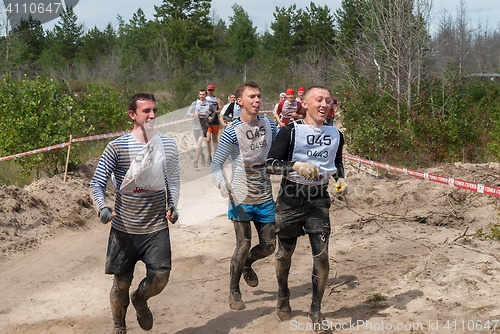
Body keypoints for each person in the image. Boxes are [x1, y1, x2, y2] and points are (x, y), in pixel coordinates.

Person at [90, 93, 180, 334]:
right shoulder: (117, 147)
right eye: (146, 111)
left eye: (154, 110)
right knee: (120, 285)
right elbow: (97, 183)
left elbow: (173, 181)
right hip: (124, 229)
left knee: (160, 278)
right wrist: (102, 207)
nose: (152, 115)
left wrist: (173, 206)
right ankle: (119, 325)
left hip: (156, 228)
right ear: (132, 115)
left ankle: (140, 299)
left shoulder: (167, 144)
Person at [266, 86, 347, 332]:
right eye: (319, 100)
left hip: (317, 200)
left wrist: (341, 180)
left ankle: (316, 310)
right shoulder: (290, 132)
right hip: (290, 198)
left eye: (328, 101)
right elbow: (269, 164)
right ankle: (282, 294)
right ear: (305, 103)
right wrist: (295, 166)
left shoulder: (336, 134)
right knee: (284, 254)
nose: (324, 104)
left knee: (322, 257)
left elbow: (337, 162)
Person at [211, 81, 278, 311]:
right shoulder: (231, 131)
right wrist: (223, 185)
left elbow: (281, 149)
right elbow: (216, 166)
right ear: (239, 101)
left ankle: (248, 264)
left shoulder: (270, 125)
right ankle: (233, 290)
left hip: (265, 196)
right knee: (243, 244)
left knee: (269, 246)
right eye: (252, 96)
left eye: (259, 96)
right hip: (239, 197)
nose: (257, 100)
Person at [186, 89, 216, 168]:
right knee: (198, 144)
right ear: (199, 95)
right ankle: (202, 155)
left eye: (203, 94)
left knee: (199, 143)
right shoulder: (195, 103)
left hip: (204, 124)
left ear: (206, 95)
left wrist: (212, 117)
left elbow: (213, 112)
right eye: (200, 94)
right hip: (196, 124)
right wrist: (194, 114)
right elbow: (188, 113)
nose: (202, 96)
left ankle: (196, 161)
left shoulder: (209, 103)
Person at [206, 84, 223, 163]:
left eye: (211, 90)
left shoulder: (217, 99)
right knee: (208, 139)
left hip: (215, 120)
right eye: (209, 90)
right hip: (207, 120)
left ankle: (216, 155)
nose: (210, 92)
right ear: (207, 91)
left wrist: (216, 112)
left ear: (213, 90)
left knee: (215, 139)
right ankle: (209, 155)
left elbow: (221, 109)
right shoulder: (205, 98)